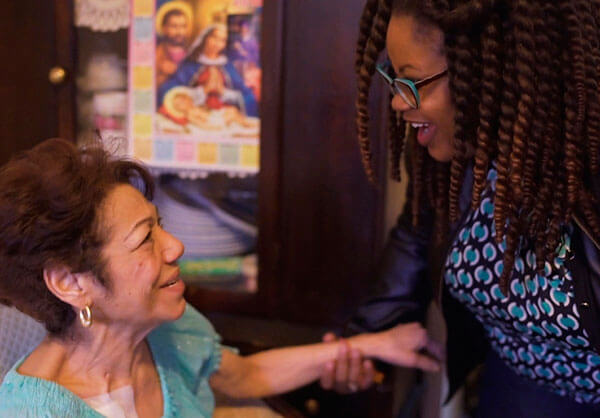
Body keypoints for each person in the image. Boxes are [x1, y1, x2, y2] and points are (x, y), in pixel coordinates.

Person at [0, 138, 443, 417]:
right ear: (71, 283)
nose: (175, 246)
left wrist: (374, 345)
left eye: (160, 225)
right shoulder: (36, 410)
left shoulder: (166, 329)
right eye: (144, 239)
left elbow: (245, 376)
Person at [320, 0, 600, 416]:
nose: (398, 102)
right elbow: (414, 246)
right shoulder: (452, 161)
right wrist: (359, 346)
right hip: (518, 389)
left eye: (413, 82)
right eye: (393, 78)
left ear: (497, 72)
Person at [158, 24, 259, 118]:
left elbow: (247, 96)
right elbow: (168, 92)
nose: (217, 43)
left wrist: (224, 93)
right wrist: (202, 91)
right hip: (195, 114)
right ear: (205, 38)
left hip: (224, 115)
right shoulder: (191, 65)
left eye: (222, 40)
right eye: (214, 37)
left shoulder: (228, 66)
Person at [155, 2, 193, 87]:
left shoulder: (192, 52)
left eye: (183, 26)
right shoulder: (158, 53)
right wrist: (162, 72)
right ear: (164, 28)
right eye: (174, 26)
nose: (179, 32)